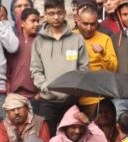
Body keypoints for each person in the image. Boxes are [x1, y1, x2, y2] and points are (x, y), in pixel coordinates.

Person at [30, 0, 89, 134]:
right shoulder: (38, 41)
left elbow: (83, 68)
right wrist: (45, 86)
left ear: (64, 13)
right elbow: (36, 69)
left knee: (72, 137)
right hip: (47, 100)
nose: (56, 17)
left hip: (71, 98)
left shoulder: (77, 39)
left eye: (59, 13)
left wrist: (74, 89)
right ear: (44, 15)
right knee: (47, 138)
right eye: (51, 14)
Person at [7, 8, 41, 101]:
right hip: (14, 96)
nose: (37, 24)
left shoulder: (40, 42)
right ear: (22, 23)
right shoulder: (14, 42)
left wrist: (40, 93)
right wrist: (9, 91)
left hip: (34, 97)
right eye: (33, 21)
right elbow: (8, 70)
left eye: (38, 21)